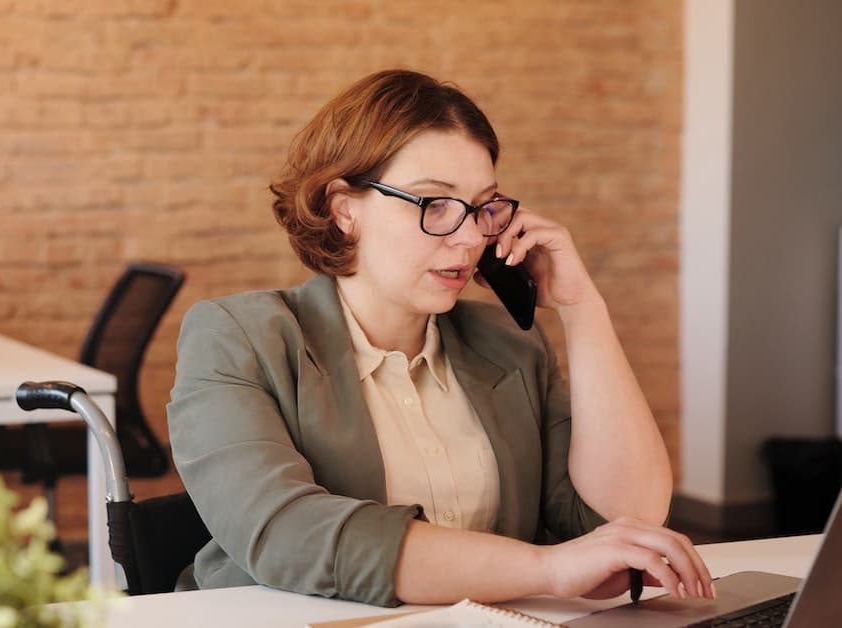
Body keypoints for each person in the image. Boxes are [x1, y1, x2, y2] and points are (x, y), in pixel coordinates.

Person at [166, 69, 712, 607]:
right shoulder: (237, 337)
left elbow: (627, 522)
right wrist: (547, 568)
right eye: (435, 203)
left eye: (483, 206)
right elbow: (285, 532)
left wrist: (581, 309)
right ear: (344, 208)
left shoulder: (507, 343)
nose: (472, 235)